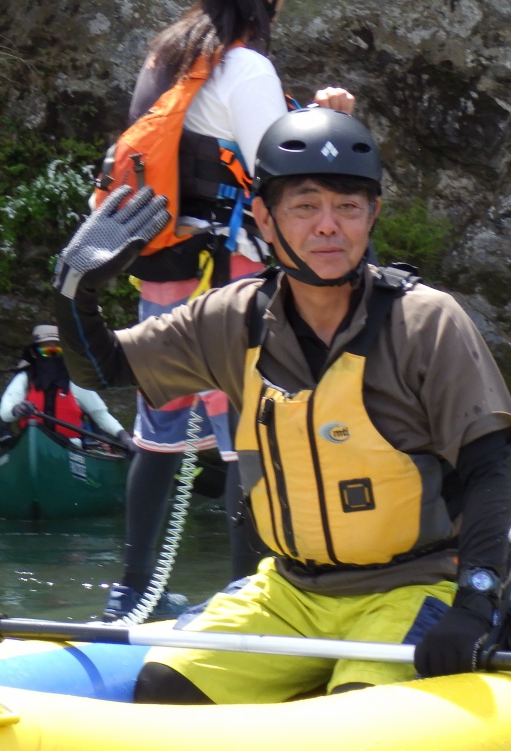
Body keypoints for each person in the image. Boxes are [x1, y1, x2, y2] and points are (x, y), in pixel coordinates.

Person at [52, 108, 511, 704]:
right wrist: (75, 291)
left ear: (373, 215)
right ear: (265, 219)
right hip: (292, 591)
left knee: (357, 715)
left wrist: (475, 601)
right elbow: (103, 368)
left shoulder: (425, 320)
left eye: (348, 207)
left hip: (414, 584)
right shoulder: (231, 318)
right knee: (164, 688)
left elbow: (487, 469)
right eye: (305, 207)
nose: (328, 226)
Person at [95, 0, 355, 621]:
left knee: (158, 432)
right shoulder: (248, 68)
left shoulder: (167, 59)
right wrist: (334, 122)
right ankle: (246, 595)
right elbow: (280, 167)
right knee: (247, 433)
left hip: (164, 267)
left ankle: (131, 592)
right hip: (230, 271)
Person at [0, 325, 130, 450]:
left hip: (71, 448)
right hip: (32, 445)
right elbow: (4, 413)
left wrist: (123, 436)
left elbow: (100, 414)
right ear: (34, 353)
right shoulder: (25, 378)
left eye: (57, 350)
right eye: (46, 350)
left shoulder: (75, 382)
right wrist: (16, 410)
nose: (52, 355)